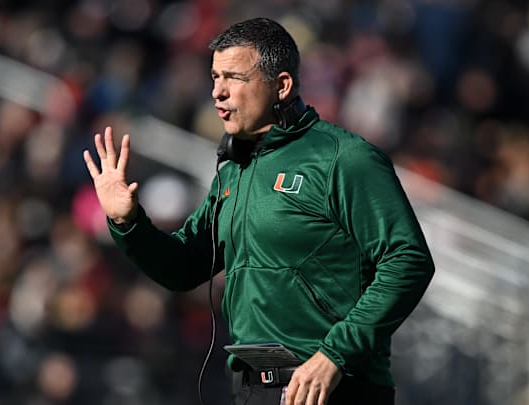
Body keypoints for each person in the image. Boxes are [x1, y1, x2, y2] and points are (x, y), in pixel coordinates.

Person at [83, 17, 434, 405]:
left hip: (332, 388)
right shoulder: (235, 169)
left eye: (233, 77)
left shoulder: (345, 159)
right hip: (254, 389)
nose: (217, 92)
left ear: (281, 86)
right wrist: (128, 222)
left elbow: (408, 260)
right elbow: (182, 268)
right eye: (214, 77)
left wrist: (335, 353)